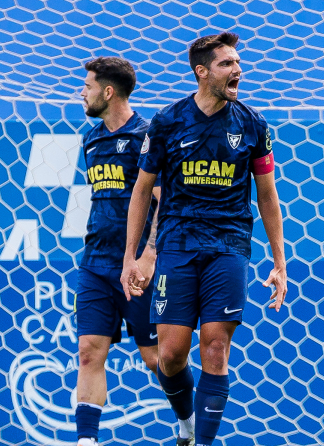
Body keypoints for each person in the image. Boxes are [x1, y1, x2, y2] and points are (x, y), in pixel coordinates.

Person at [120, 32, 288, 446]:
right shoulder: (167, 121)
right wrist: (133, 256)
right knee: (170, 355)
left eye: (237, 62)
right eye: (227, 64)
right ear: (202, 72)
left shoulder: (253, 124)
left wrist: (280, 263)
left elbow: (267, 195)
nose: (238, 70)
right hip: (176, 247)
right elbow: (142, 190)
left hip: (228, 247)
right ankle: (187, 425)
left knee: (215, 349)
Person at [74, 56, 162, 446]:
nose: (82, 91)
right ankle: (86, 441)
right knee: (90, 352)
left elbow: (163, 201)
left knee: (157, 359)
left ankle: (188, 423)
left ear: (108, 92)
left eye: (88, 86)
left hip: (138, 266)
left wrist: (148, 256)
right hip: (95, 263)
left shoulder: (148, 136)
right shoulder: (91, 138)